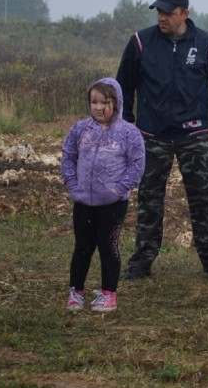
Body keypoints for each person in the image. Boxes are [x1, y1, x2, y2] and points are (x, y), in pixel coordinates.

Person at [116, 0, 208, 281]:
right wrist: (126, 125)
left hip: (194, 135)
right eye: (158, 11)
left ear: (185, 13)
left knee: (204, 198)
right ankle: (142, 261)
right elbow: (123, 86)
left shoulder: (207, 44)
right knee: (149, 199)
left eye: (168, 12)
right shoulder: (140, 42)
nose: (162, 17)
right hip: (151, 135)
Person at [61, 78, 146, 312]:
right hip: (83, 202)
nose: (98, 107)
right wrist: (72, 184)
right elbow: (68, 156)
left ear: (116, 103)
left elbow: (136, 166)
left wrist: (118, 190)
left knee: (108, 246)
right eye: (94, 102)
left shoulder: (129, 133)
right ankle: (76, 291)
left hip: (113, 203)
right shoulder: (80, 129)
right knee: (83, 246)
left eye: (104, 102)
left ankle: (109, 294)